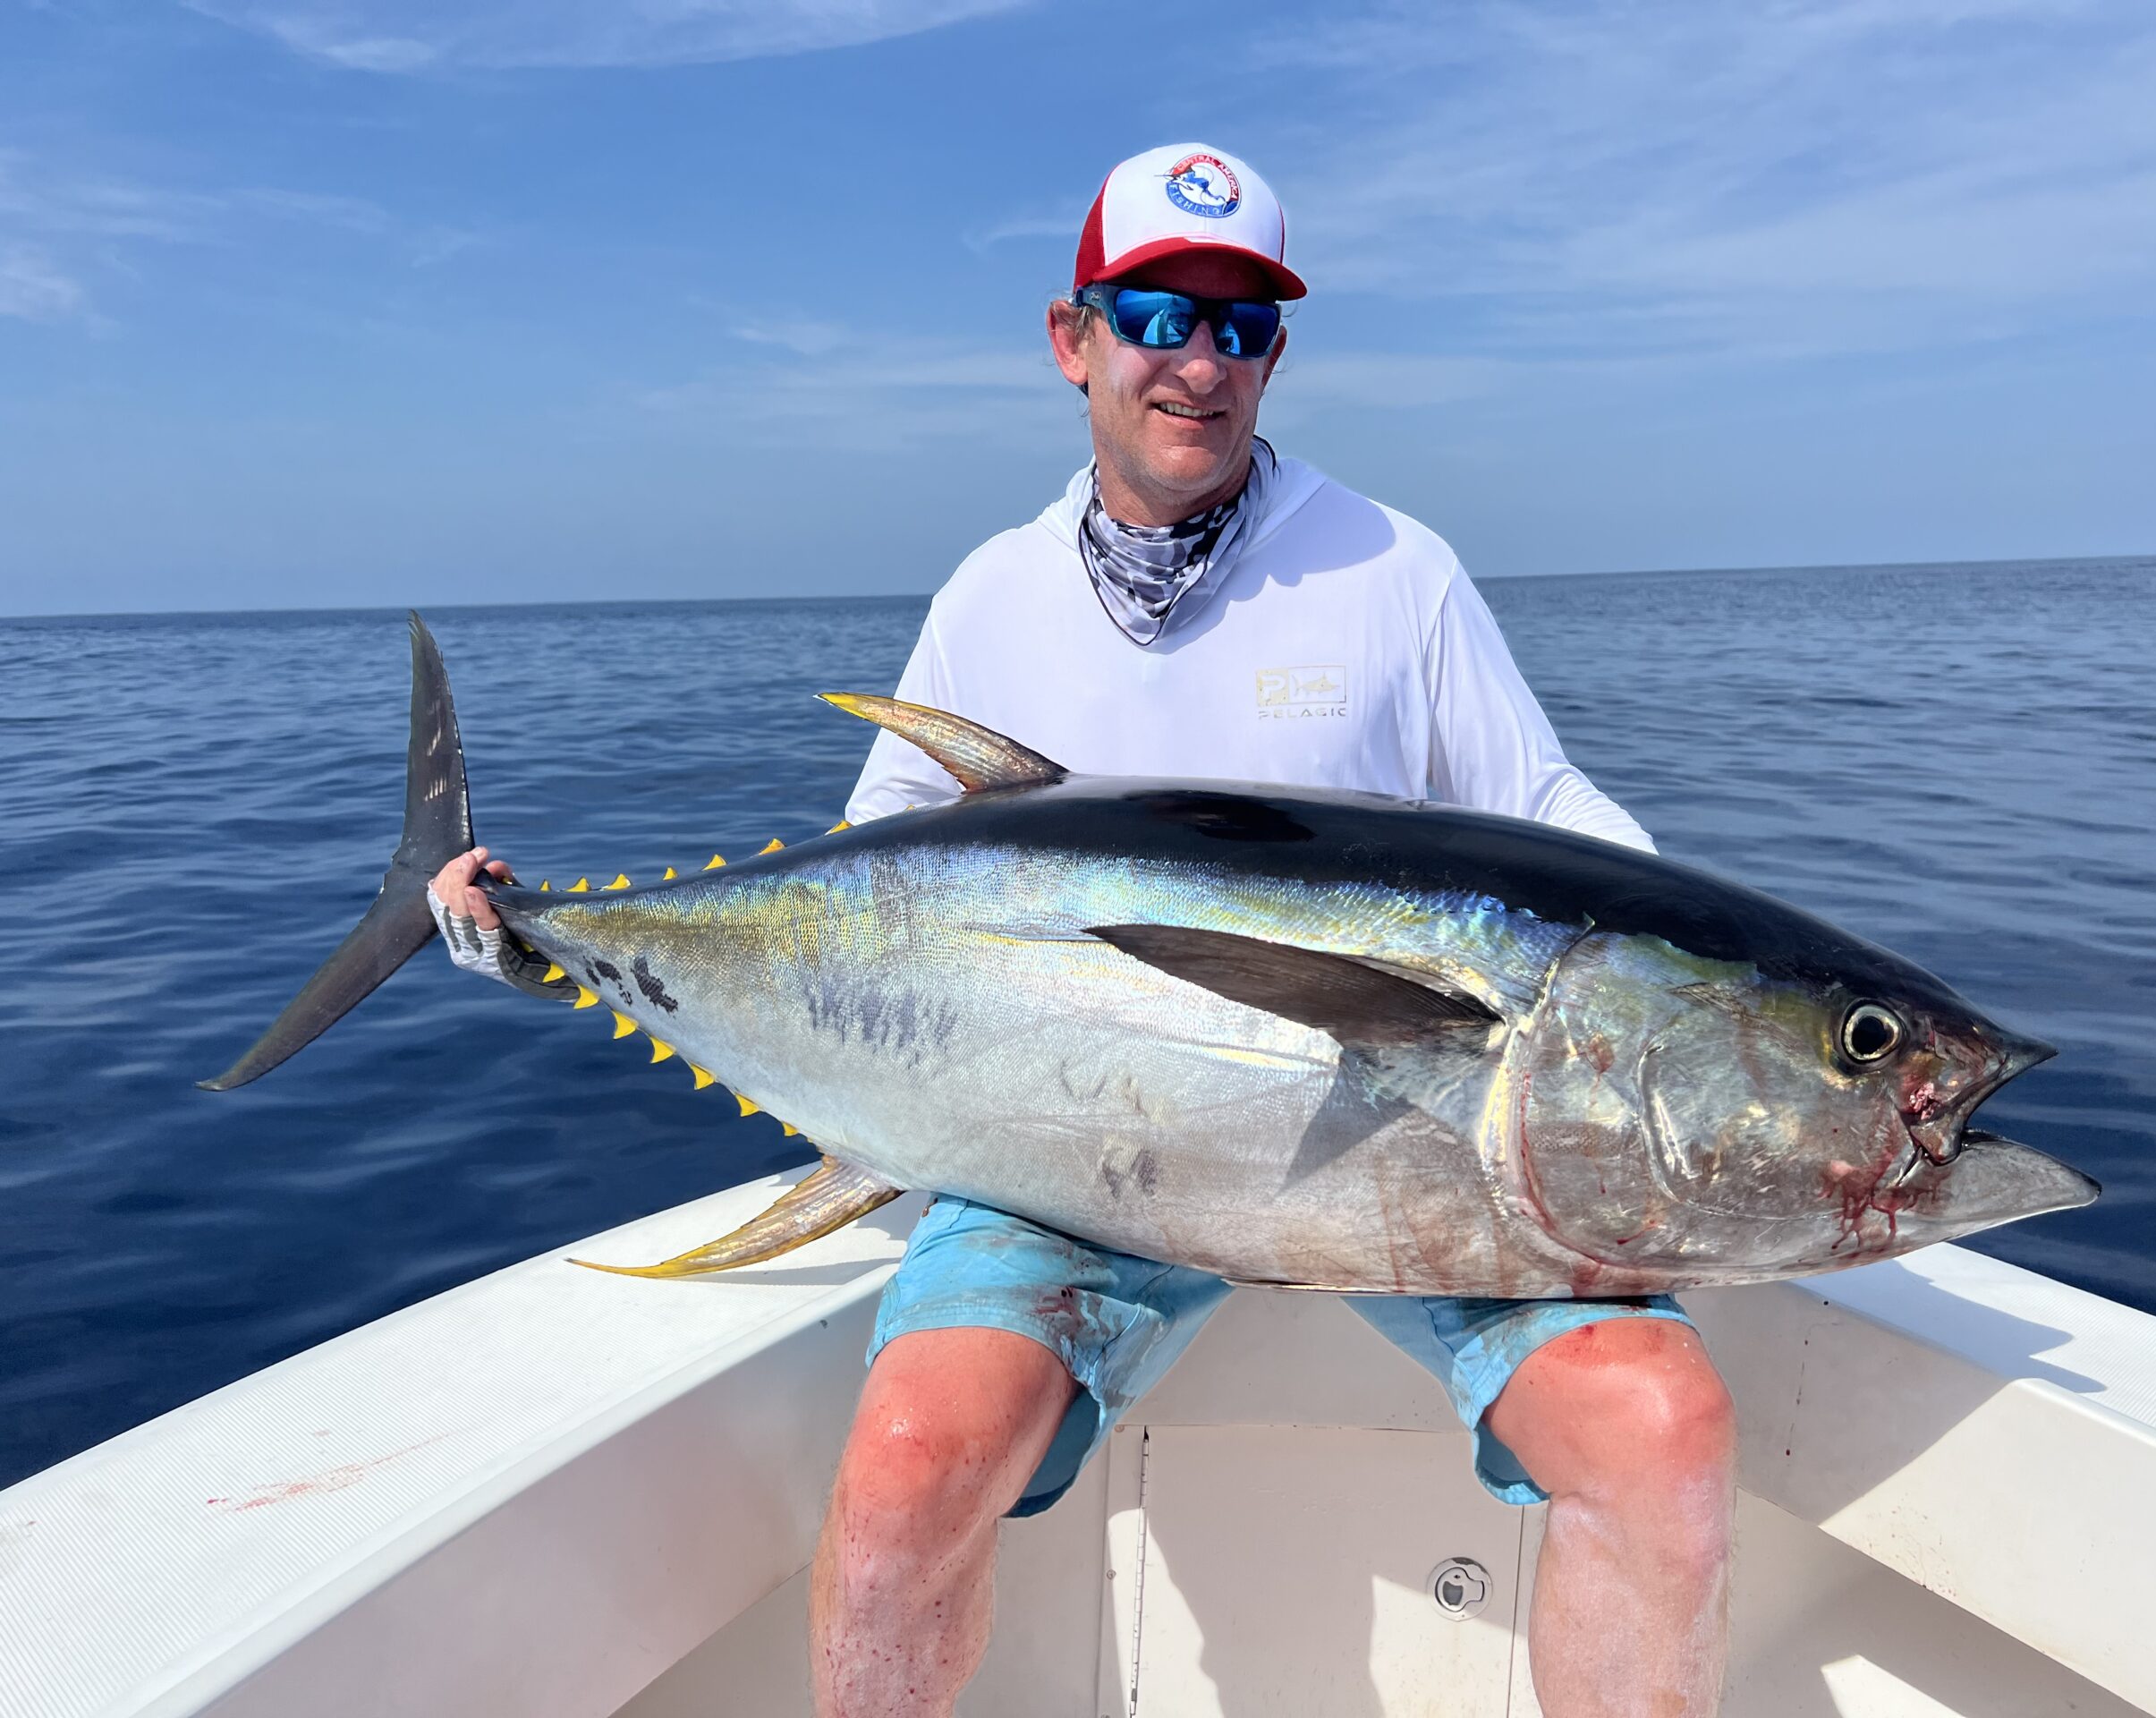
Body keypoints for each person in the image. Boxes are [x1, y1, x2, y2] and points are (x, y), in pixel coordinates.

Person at [429, 143, 1735, 1718]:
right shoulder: (995, 595)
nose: (1199, 360)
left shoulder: (1394, 570)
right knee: (911, 1459)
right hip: (1067, 1153)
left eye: (1242, 327)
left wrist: (1704, 987)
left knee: (1661, 1431)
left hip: (1411, 1170)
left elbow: (1558, 820)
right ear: (1075, 339)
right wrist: (535, 932)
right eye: (1156, 315)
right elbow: (866, 889)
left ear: (1278, 355)